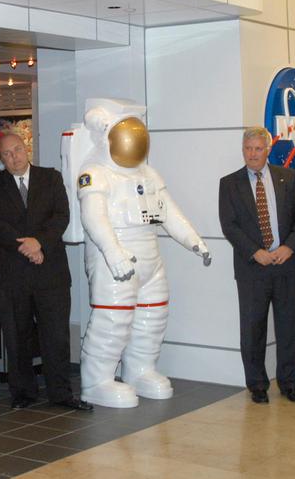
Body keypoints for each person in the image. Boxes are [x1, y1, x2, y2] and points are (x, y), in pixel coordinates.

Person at [74, 99, 209, 408]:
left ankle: (140, 370)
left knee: (152, 315)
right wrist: (113, 253)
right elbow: (94, 218)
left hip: (150, 256)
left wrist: (193, 240)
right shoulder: (95, 173)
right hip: (116, 257)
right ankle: (97, 380)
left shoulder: (148, 174)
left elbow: (169, 212)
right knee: (113, 320)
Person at [0, 133, 90, 410]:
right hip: (11, 273)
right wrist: (28, 247)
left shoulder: (50, 178)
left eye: (17, 150)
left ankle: (61, 393)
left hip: (50, 271)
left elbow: (61, 216)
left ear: (26, 149)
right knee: (17, 336)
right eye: (7, 154)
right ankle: (23, 393)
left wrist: (39, 242)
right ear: (1, 158)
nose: (14, 157)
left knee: (56, 335)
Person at [218, 126, 295, 404]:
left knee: (288, 327)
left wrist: (288, 247)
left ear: (268, 150)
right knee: (253, 329)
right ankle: (257, 385)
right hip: (252, 268)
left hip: (286, 265)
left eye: (258, 149)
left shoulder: (289, 177)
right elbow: (229, 225)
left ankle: (289, 383)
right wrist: (254, 252)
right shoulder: (229, 183)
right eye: (248, 148)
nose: (253, 154)